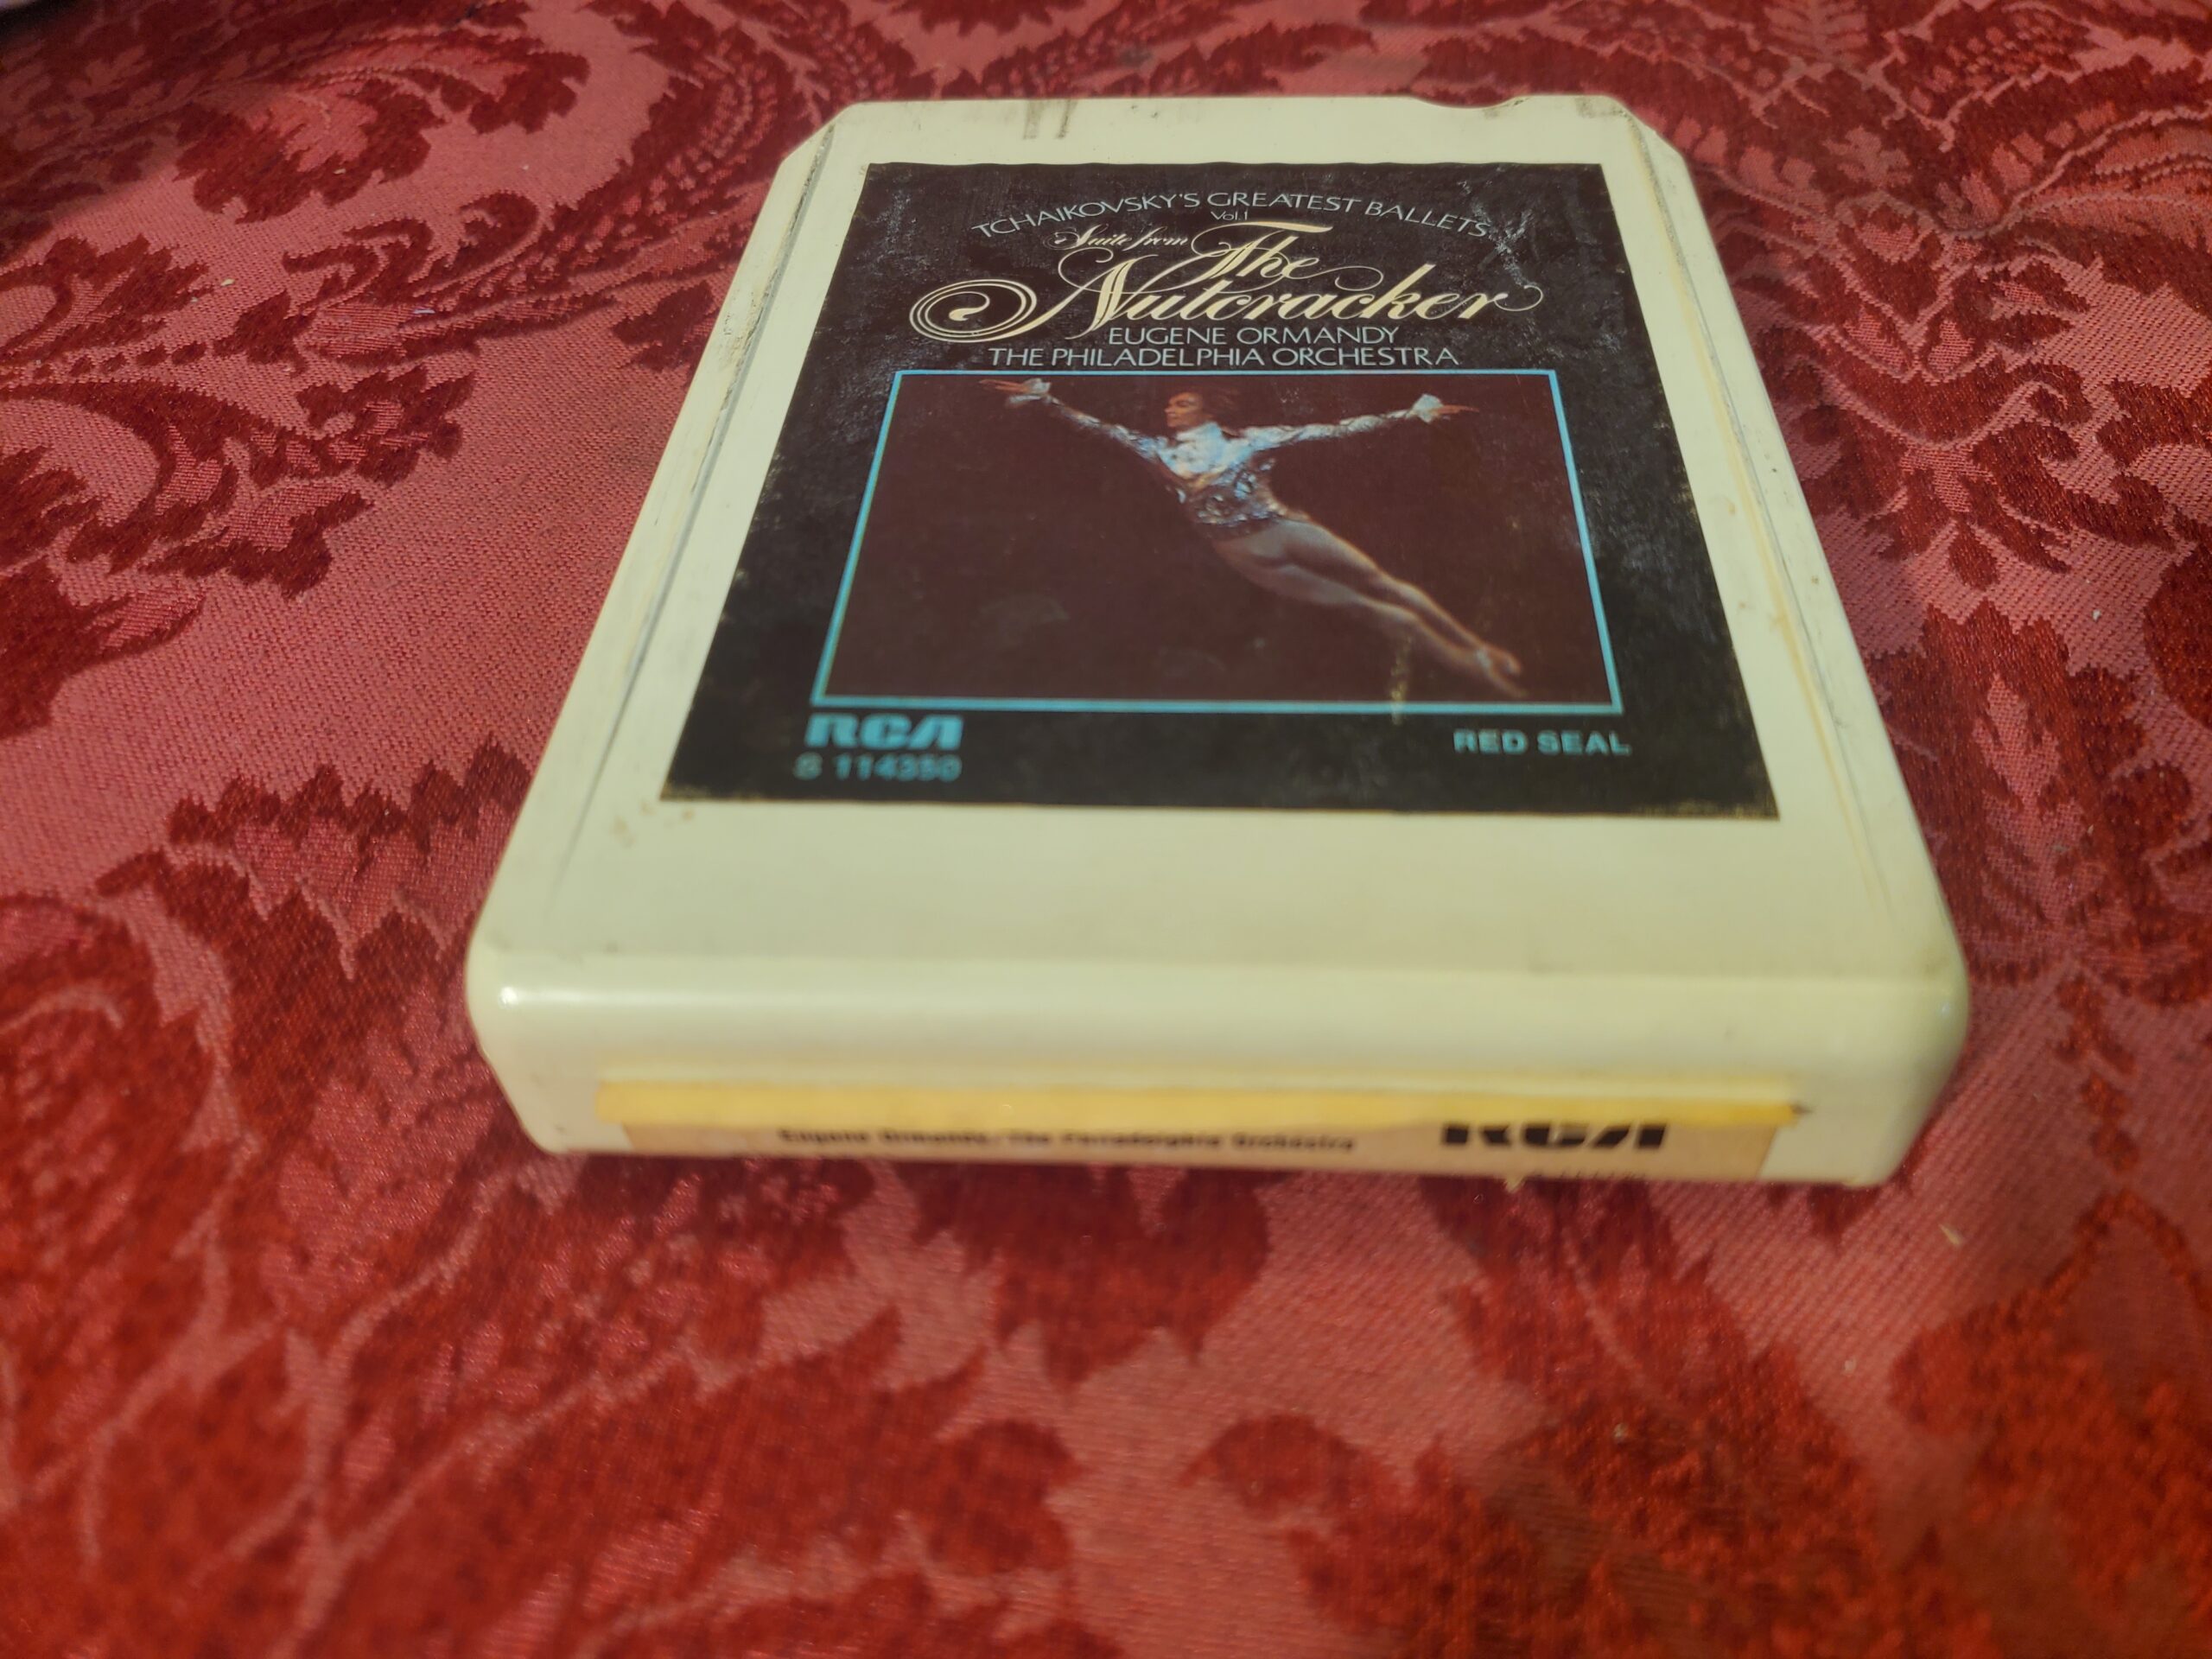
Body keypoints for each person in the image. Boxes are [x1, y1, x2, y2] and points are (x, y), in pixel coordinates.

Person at [982, 378, 1523, 695]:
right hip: (1244, 553)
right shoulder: (1155, 449)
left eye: (1181, 403)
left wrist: (1412, 414)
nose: (1170, 408)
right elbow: (1096, 427)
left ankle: (1481, 647)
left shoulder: (1252, 440)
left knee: (1381, 582)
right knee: (1367, 607)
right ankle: (1473, 670)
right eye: (1169, 404)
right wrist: (1045, 400)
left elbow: (1333, 431)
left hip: (1286, 527)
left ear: (1208, 409)